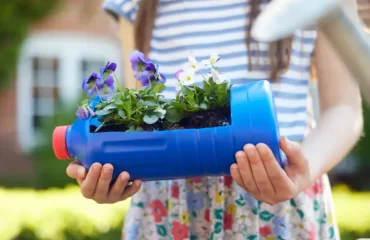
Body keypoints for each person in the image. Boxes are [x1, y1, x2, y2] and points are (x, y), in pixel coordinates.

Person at [66, 0, 363, 239]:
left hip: (282, 194)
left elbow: (344, 108)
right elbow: (139, 116)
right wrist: (118, 174)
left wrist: (302, 171)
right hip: (170, 206)